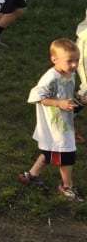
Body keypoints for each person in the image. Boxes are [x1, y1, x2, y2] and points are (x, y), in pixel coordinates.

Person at [19, 38, 85, 203]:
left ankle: (32, 175)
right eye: (70, 61)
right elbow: (35, 96)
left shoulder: (68, 73)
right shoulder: (50, 77)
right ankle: (67, 186)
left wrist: (76, 99)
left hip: (64, 122)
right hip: (53, 123)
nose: (74, 65)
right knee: (66, 154)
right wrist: (58, 103)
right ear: (54, 59)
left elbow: (65, 94)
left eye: (77, 60)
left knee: (51, 151)